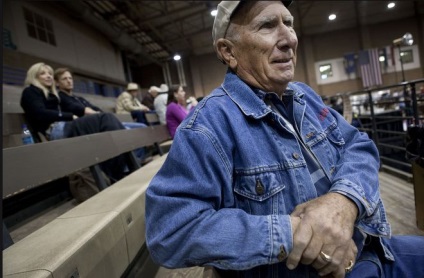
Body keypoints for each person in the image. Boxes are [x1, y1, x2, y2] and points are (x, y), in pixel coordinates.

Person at [145, 1, 424, 278]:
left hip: (373, 249)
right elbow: (170, 230)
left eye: (288, 23)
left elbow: (359, 146)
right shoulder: (208, 125)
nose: (289, 38)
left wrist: (343, 202)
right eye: (267, 25)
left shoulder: (304, 96)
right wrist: (299, 233)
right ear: (229, 52)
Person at [20, 62, 128, 183]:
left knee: (109, 125)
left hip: (64, 126)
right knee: (105, 118)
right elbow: (40, 113)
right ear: (34, 76)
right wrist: (70, 116)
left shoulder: (50, 94)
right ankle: (117, 173)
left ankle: (118, 171)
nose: (49, 76)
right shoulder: (30, 91)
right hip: (55, 130)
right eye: (43, 73)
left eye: (50, 73)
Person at [54, 67, 151, 164]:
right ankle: (130, 163)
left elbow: (95, 108)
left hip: (99, 121)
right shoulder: (61, 97)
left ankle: (138, 159)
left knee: (141, 127)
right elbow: (83, 110)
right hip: (90, 128)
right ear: (57, 83)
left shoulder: (78, 98)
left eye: (70, 78)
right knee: (128, 131)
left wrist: (96, 112)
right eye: (64, 79)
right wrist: (97, 114)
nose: (69, 81)